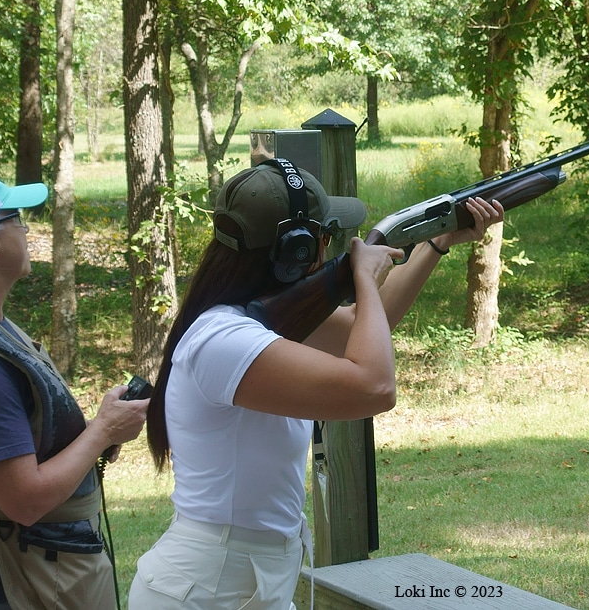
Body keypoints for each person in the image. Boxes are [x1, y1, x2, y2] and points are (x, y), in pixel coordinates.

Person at [129, 157, 503, 609]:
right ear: (301, 251)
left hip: (245, 583)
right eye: (328, 236)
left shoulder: (249, 324)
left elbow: (364, 326)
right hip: (207, 591)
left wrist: (437, 244)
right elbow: (375, 387)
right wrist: (362, 277)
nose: (336, 245)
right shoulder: (224, 339)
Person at [0, 169, 150, 609]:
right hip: (13, 579)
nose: (26, 230)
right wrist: (100, 432)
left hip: (35, 567)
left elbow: (23, 440)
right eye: (18, 220)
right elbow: (24, 500)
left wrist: (96, 435)